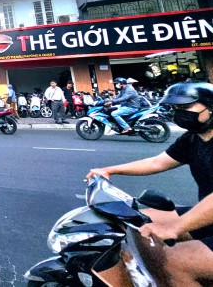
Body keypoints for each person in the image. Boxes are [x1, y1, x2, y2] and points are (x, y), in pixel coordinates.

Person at [86, 82, 213, 285]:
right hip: (208, 216)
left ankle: (177, 272)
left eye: (186, 107)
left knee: (177, 261)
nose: (180, 113)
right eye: (176, 108)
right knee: (140, 222)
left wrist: (175, 227)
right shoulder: (193, 138)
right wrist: (110, 170)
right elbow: (158, 162)